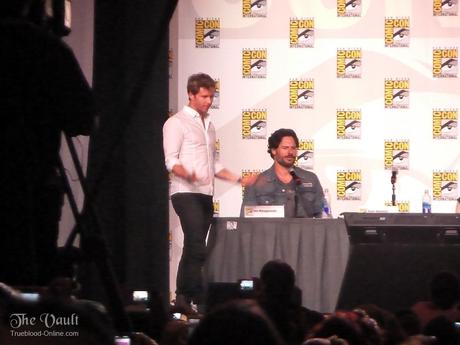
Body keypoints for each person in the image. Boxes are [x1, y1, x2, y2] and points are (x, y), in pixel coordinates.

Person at [0, 0, 95, 286]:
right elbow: (85, 119)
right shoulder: (47, 48)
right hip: (32, 188)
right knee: (30, 284)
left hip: (31, 187)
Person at [163, 73, 250, 306]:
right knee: (196, 245)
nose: (209, 101)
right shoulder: (176, 122)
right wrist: (187, 173)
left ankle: (183, 298)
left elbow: (215, 164)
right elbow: (170, 160)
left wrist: (238, 179)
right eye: (204, 96)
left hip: (205, 194)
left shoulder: (209, 126)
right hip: (185, 192)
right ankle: (191, 295)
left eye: (211, 96)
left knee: (195, 247)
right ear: (191, 95)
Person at [241, 128, 324, 218]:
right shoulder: (256, 183)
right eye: (285, 148)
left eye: (293, 148)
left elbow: (324, 219)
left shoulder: (310, 179)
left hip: (303, 232)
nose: (290, 152)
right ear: (273, 150)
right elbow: (246, 222)